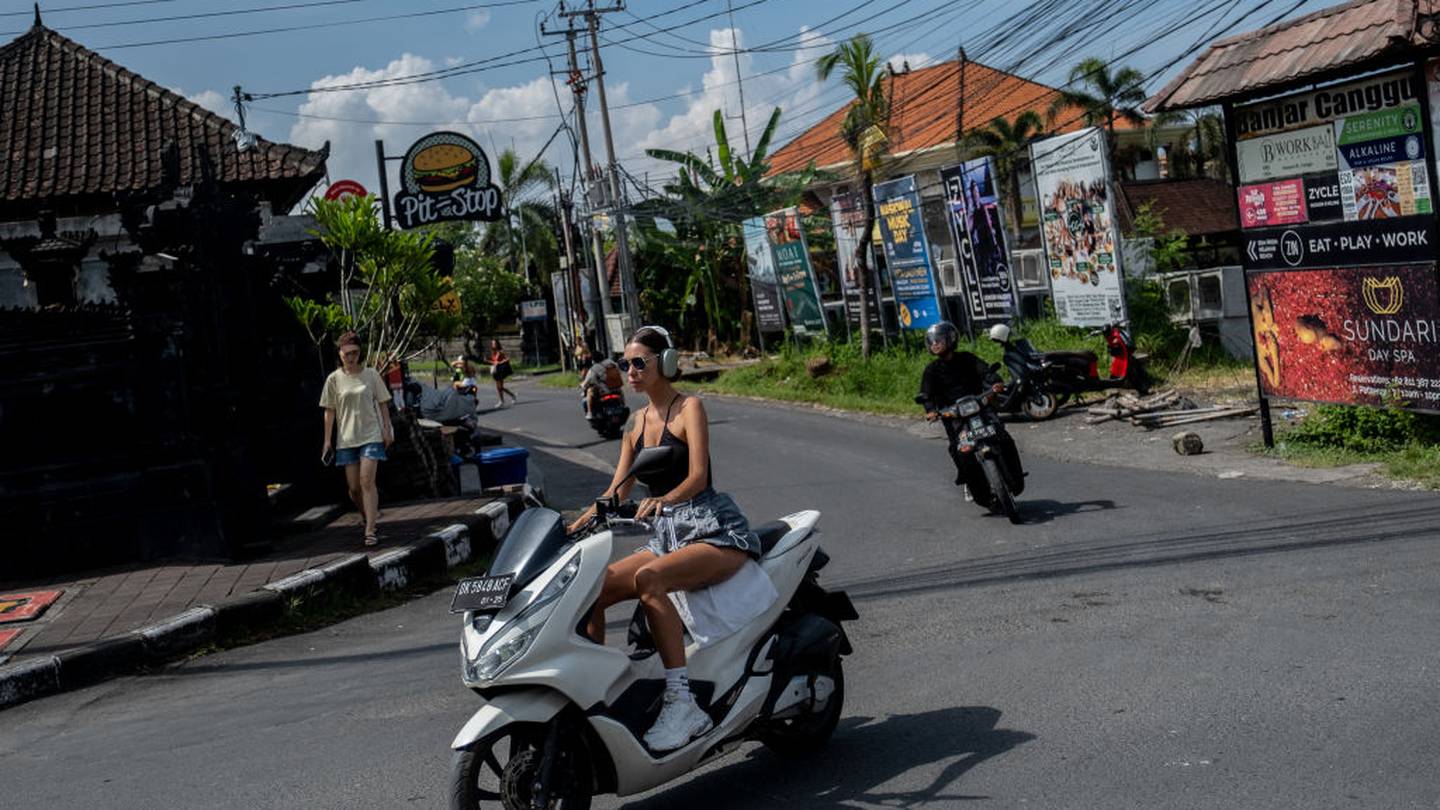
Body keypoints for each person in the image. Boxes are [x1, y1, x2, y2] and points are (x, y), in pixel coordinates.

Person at [566, 326, 763, 752]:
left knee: (650, 578)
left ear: (665, 364)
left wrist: (665, 499)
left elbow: (696, 476)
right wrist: (575, 523)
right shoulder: (635, 424)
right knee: (592, 590)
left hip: (712, 530)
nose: (631, 371)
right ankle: (590, 697)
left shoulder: (689, 407)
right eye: (625, 364)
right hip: (667, 536)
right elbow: (618, 487)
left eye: (640, 363)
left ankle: (682, 702)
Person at [918, 321, 1024, 505]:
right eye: (932, 341)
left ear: (951, 339)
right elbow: (926, 394)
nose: (935, 344)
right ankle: (977, 490)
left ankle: (1015, 478)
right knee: (959, 450)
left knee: (1003, 437)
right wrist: (931, 411)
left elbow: (987, 373)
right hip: (954, 416)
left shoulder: (967, 358)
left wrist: (995, 384)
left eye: (939, 340)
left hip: (980, 407)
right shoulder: (931, 371)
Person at [320, 331, 394, 546]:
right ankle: (366, 514)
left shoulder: (371, 375)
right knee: (353, 488)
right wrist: (327, 441)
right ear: (340, 354)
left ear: (359, 353)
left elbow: (383, 403)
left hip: (371, 435)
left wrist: (386, 430)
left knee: (366, 481)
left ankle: (370, 530)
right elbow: (329, 411)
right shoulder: (334, 379)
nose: (350, 357)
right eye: (346, 354)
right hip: (346, 439)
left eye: (354, 353)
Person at [488, 338, 518, 408]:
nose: (493, 345)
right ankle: (509, 397)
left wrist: (500, 362)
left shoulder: (500, 351)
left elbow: (507, 359)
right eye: (492, 343)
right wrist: (488, 360)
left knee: (500, 387)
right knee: (499, 387)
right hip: (495, 370)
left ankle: (504, 400)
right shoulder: (492, 352)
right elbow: (493, 361)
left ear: (497, 344)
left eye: (494, 343)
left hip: (500, 370)